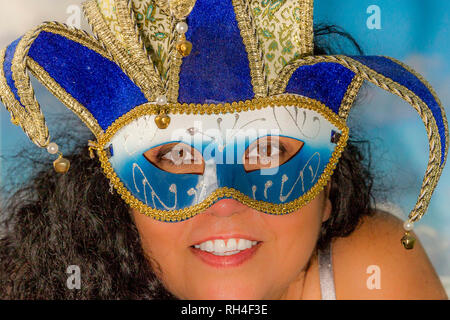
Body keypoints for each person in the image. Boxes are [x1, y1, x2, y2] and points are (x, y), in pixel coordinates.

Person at [0, 0, 448, 300]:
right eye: (176, 157)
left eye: (269, 152)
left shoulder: (372, 276)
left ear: (327, 190)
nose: (225, 202)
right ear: (120, 197)